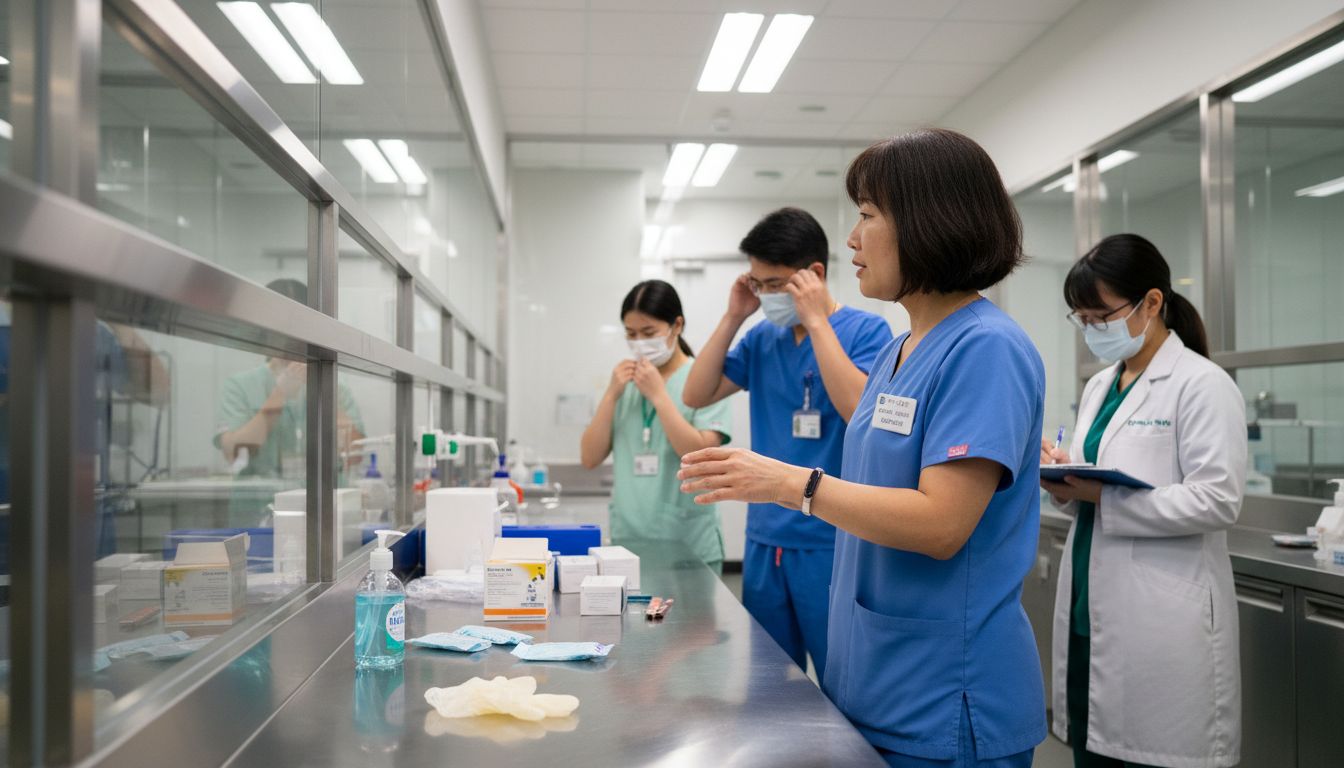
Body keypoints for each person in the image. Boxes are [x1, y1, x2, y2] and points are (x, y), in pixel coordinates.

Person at [679, 129, 1046, 767]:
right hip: (877, 682)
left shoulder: (986, 347)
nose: (851, 239)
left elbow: (941, 524)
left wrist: (788, 484)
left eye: (869, 215)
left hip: (944, 695)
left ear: (931, 223)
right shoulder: (899, 351)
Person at [1041, 234, 1244, 768]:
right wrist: (1064, 479)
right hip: (1091, 607)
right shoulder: (1099, 386)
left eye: (1101, 316)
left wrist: (1103, 497)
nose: (1092, 330)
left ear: (1152, 303)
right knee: (1093, 748)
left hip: (1161, 621)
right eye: (1082, 319)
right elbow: (1095, 486)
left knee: (1153, 751)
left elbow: (1218, 500)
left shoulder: (1202, 385)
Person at [682, 206, 891, 680]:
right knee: (767, 680)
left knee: (840, 676)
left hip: (830, 536)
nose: (766, 296)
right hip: (765, 536)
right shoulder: (763, 338)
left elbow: (858, 412)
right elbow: (696, 394)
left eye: (775, 284)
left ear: (813, 274)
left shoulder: (867, 331)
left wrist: (816, 321)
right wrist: (734, 316)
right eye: (758, 284)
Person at [580, 280, 732, 571]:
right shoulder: (625, 383)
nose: (639, 342)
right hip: (629, 539)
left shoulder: (704, 378)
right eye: (631, 334)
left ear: (677, 326)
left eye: (648, 333)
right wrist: (611, 394)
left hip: (689, 541)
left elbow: (700, 454)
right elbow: (589, 457)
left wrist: (660, 397)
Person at [215, 279, 365, 481]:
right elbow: (233, 453)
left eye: (299, 327)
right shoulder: (240, 386)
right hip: (259, 498)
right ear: (264, 331)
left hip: (322, 497)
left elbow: (355, 455)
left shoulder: (336, 387)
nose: (290, 338)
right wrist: (279, 395)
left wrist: (325, 393)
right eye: (281, 327)